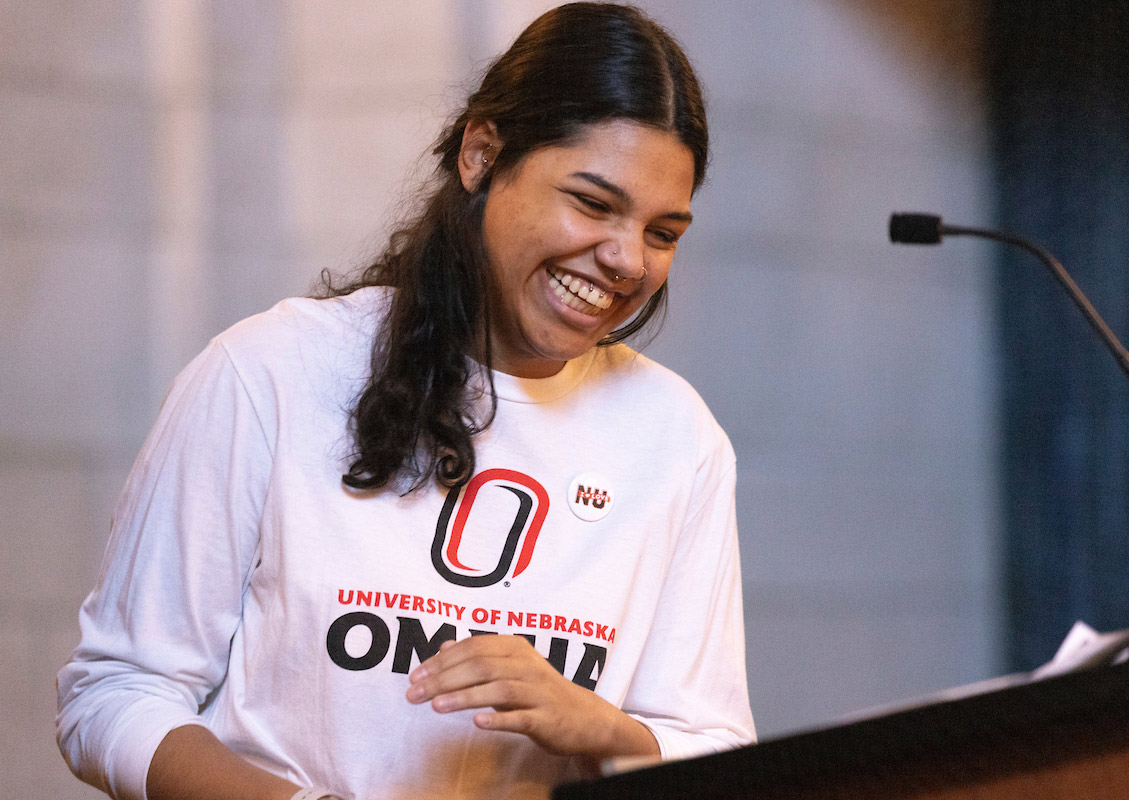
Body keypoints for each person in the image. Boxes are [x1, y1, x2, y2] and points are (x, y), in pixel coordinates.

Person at [56, 4, 755, 799]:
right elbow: (113, 695)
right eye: (593, 204)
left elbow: (716, 746)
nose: (627, 259)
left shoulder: (677, 436)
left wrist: (605, 731)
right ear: (482, 154)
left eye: (664, 232)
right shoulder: (271, 373)